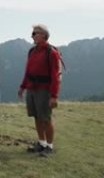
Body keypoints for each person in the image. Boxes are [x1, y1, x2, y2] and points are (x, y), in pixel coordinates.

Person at [18, 24, 62, 157]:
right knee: (36, 117)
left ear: (44, 35)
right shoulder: (32, 51)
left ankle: (49, 146)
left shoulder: (51, 53)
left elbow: (55, 76)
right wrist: (23, 86)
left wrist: (54, 96)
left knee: (46, 118)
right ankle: (41, 143)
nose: (32, 36)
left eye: (35, 33)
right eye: (32, 33)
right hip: (31, 88)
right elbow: (28, 71)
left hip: (44, 90)